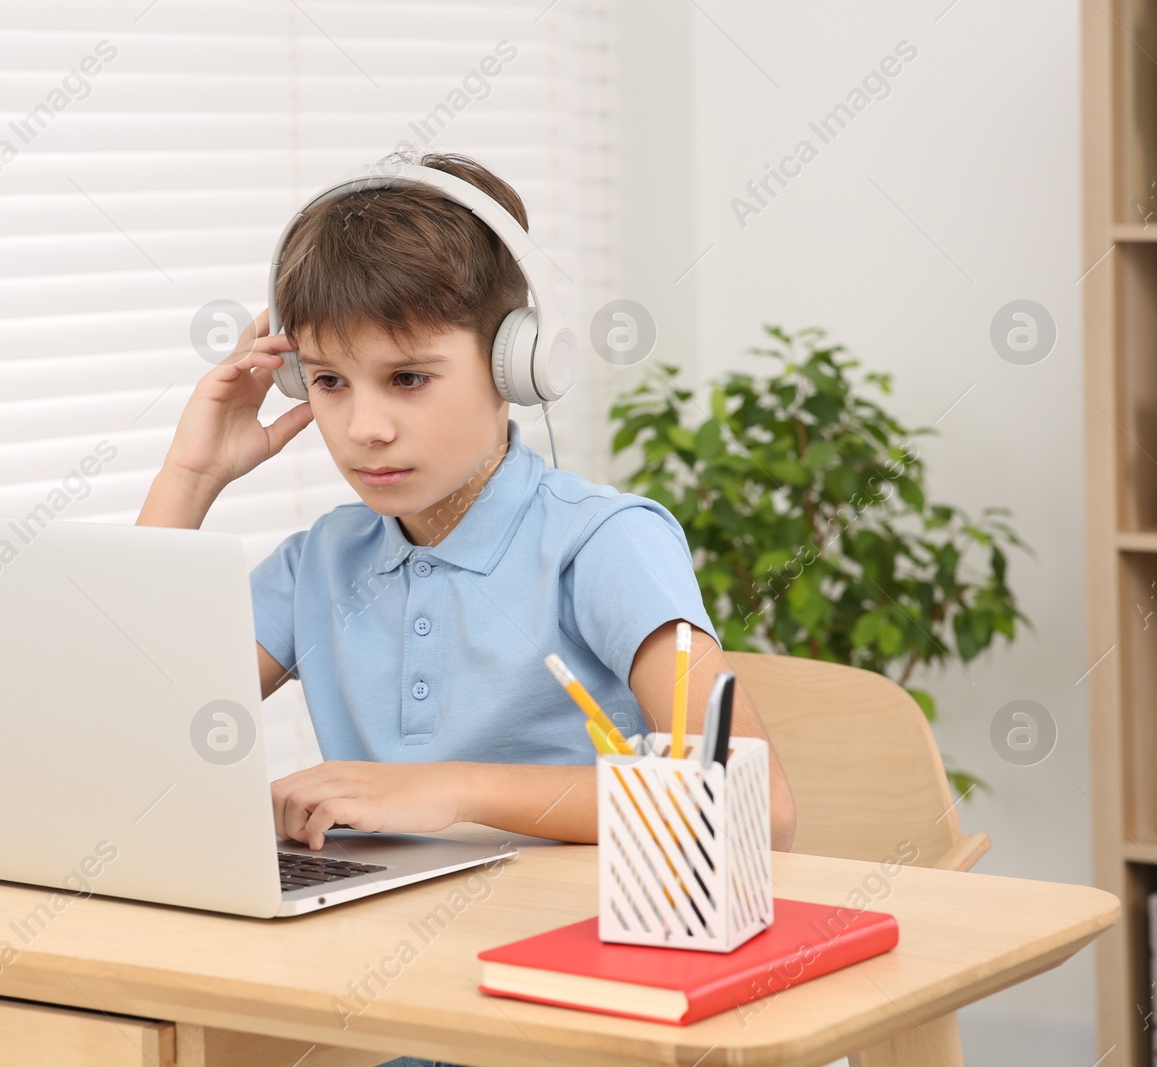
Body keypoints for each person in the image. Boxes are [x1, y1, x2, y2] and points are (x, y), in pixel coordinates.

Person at [137, 150, 798, 1067]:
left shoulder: (603, 542)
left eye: (408, 378)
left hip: (583, 1003)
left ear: (515, 364)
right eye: (329, 381)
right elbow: (136, 731)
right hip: (401, 990)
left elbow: (752, 810)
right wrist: (190, 476)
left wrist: (448, 787)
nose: (363, 427)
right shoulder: (321, 562)